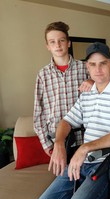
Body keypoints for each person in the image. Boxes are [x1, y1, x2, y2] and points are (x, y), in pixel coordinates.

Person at [32, 42, 110, 199]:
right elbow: (66, 121)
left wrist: (85, 148)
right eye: (92, 64)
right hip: (84, 161)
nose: (97, 69)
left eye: (103, 63)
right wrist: (59, 143)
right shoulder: (86, 95)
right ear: (87, 67)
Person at [33, 21, 93, 156]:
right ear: (47, 46)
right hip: (57, 142)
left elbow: (103, 89)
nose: (58, 45)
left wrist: (92, 81)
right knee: (65, 177)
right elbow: (38, 114)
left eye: (61, 40)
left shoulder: (85, 68)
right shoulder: (43, 75)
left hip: (85, 137)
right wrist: (46, 145)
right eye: (52, 42)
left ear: (68, 43)